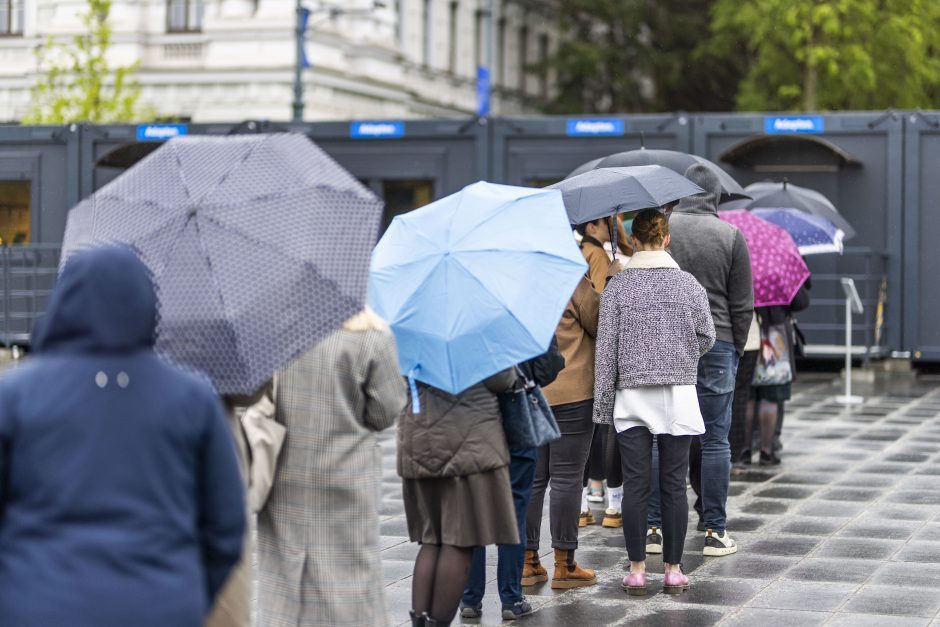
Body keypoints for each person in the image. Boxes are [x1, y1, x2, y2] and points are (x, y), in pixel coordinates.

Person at [0, 245, 245, 627]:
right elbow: (226, 524)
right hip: (160, 604)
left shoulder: (15, 396)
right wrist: (188, 593)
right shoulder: (193, 398)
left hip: (42, 602)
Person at [257, 307, 407, 627]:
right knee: (349, 574)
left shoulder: (278, 336)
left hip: (284, 471)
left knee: (286, 573)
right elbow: (386, 412)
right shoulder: (371, 338)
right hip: (346, 474)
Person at [595, 209, 715, 595]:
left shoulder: (618, 287)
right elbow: (707, 336)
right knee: (674, 485)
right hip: (678, 393)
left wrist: (602, 405)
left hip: (631, 395)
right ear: (666, 239)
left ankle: (635, 569)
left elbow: (606, 352)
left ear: (633, 240)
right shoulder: (689, 284)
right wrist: (681, 356)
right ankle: (674, 568)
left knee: (635, 485)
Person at [648, 164, 753, 557]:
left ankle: (654, 528)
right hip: (719, 343)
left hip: (666, 342)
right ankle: (714, 530)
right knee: (714, 440)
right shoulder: (730, 236)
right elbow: (743, 305)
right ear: (715, 195)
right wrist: (736, 348)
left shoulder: (663, 230)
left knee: (662, 434)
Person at [399, 368, 519, 627]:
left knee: (431, 539)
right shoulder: (476, 329)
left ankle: (421, 622)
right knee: (459, 540)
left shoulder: (414, 331)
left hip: (418, 437)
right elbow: (502, 379)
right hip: (469, 442)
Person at [460, 338, 565, 622]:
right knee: (514, 511)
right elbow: (548, 367)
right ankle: (511, 598)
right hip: (516, 422)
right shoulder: (521, 318)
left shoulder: (458, 323)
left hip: (471, 427)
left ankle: (470, 599)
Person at [523, 272, 604, 590]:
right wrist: (604, 286)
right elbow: (598, 322)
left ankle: (528, 562)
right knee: (567, 478)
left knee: (534, 478)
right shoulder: (569, 278)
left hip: (531, 391)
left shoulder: (518, 281)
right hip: (572, 391)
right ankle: (564, 564)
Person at [744, 284, 810, 465]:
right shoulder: (779, 272)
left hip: (748, 334)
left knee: (747, 395)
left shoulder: (746, 264)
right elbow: (802, 301)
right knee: (771, 396)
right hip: (775, 338)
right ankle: (766, 450)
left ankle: (744, 451)